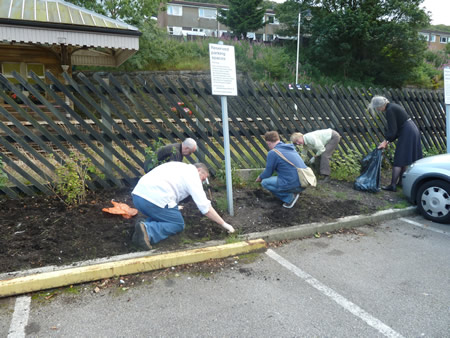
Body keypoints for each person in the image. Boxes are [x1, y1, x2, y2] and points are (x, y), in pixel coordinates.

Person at [131, 162, 234, 249]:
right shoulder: (193, 175)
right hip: (154, 198)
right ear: (198, 170)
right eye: (203, 178)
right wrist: (224, 224)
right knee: (177, 224)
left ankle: (142, 228)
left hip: (138, 196)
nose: (202, 182)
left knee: (166, 214)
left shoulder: (179, 166)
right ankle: (148, 230)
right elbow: (205, 208)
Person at [368, 96, 422, 192]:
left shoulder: (390, 110)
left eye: (377, 108)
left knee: (399, 158)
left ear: (381, 106)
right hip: (411, 129)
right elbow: (396, 129)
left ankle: (392, 185)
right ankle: (401, 182)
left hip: (407, 131)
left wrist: (386, 141)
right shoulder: (392, 106)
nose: (378, 110)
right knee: (405, 158)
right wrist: (387, 141)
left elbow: (393, 130)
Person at [255, 131, 306, 209]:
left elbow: (268, 173)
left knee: (265, 182)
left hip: (294, 184)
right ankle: (294, 191)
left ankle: (289, 198)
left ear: (268, 142)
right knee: (284, 178)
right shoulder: (290, 148)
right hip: (304, 182)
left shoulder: (273, 153)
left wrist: (260, 177)